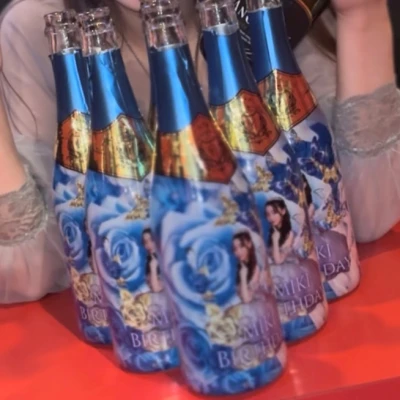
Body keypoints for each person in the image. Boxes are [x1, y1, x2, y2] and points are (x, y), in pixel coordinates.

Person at [0, 0, 399, 304]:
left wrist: (361, 16)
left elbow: (368, 214)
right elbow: (26, 272)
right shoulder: (41, 27)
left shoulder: (275, 12)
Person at [232, 231, 260, 303]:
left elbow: (247, 299)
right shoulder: (240, 267)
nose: (238, 252)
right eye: (235, 249)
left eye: (241, 246)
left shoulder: (256, 268)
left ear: (249, 244)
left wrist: (243, 277)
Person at [265, 199, 294, 265]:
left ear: (283, 211)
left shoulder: (290, 234)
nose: (271, 217)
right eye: (268, 214)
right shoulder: (271, 232)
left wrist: (275, 240)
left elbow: (278, 261)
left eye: (274, 213)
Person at [141, 228, 163, 293]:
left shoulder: (164, 260)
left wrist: (153, 268)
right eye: (145, 242)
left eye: (151, 240)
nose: (148, 244)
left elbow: (156, 288)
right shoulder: (148, 260)